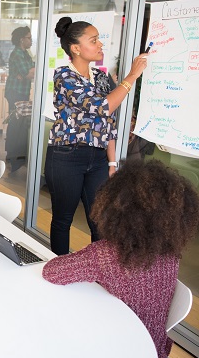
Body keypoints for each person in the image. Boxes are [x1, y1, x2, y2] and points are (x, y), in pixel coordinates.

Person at [42, 159, 199, 358]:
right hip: (153, 350)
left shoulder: (105, 254)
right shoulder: (170, 254)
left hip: (115, 353)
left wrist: (86, 255)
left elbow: (51, 272)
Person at [45, 17, 149, 255]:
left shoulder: (101, 77)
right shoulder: (65, 76)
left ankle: (99, 273)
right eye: (94, 40)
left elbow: (107, 122)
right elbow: (102, 107)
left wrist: (112, 162)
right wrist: (132, 75)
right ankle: (59, 269)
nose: (100, 45)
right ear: (75, 48)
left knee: (100, 222)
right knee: (63, 219)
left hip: (99, 158)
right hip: (66, 156)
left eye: (99, 39)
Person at [4, 26, 35, 172]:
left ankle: (14, 156)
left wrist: (28, 72)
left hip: (21, 91)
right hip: (15, 92)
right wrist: (28, 72)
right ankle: (13, 155)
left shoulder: (25, 54)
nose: (31, 40)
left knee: (17, 122)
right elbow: (29, 73)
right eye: (29, 37)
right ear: (22, 39)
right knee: (15, 122)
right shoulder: (17, 54)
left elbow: (30, 71)